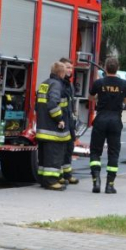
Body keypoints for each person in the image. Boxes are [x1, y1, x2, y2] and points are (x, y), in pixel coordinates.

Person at [88, 57, 126, 194]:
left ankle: (96, 182)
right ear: (117, 68)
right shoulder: (124, 84)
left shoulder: (99, 83)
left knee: (95, 151)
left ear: (105, 68)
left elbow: (91, 97)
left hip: (101, 118)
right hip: (115, 120)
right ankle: (110, 185)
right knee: (113, 152)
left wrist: (100, 97)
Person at [36, 62, 71, 191]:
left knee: (44, 157)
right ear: (60, 73)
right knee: (54, 156)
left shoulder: (45, 83)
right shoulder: (57, 85)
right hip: (53, 130)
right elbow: (52, 104)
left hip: (43, 128)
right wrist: (59, 119)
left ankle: (43, 180)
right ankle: (51, 181)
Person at [58, 57, 79, 186]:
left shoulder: (68, 84)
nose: (70, 70)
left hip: (69, 120)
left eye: (71, 68)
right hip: (62, 121)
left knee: (69, 148)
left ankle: (67, 174)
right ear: (61, 68)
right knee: (60, 149)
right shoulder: (58, 84)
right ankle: (59, 174)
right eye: (67, 67)